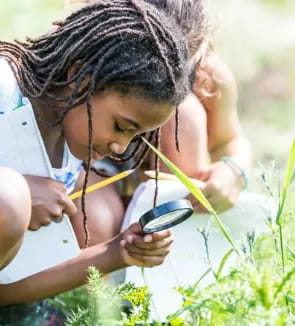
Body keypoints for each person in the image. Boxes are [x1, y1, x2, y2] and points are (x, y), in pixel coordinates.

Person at [0, 1, 193, 325]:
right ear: (79, 77)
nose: (119, 146)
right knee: (2, 193)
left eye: (135, 136)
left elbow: (3, 290)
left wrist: (118, 253)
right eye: (120, 126)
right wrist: (17, 192)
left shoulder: (68, 157)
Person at [67, 0, 252, 248]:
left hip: (164, 179)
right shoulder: (83, 54)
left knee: (184, 115)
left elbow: (230, 140)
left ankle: (178, 248)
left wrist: (233, 172)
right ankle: (100, 275)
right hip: (91, 169)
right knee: (97, 220)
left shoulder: (208, 76)